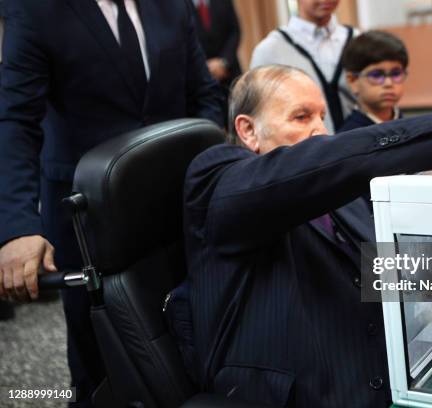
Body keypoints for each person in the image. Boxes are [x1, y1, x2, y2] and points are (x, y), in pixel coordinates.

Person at [177, 64, 432, 407]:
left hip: (385, 381)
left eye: (321, 117)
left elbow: (373, 270)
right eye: (301, 117)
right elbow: (302, 172)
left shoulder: (339, 194)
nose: (319, 130)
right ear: (248, 130)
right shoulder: (215, 177)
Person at [0, 0, 224, 405]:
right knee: (99, 360)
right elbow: (15, 122)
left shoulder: (172, 6)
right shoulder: (34, 9)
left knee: (181, 338)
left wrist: (204, 170)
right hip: (86, 215)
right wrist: (18, 227)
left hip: (171, 204)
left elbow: (204, 95)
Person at [250, 0, 355, 133]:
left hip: (359, 144)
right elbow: (260, 112)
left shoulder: (358, 39)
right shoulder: (270, 50)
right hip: (305, 148)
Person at [339, 30, 409, 132]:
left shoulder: (412, 128)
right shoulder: (347, 137)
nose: (388, 83)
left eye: (396, 74)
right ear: (352, 81)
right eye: (376, 75)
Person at [190, 0, 242, 89]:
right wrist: (204, 68)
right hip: (200, 82)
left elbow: (234, 31)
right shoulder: (181, 6)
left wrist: (224, 62)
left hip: (230, 73)